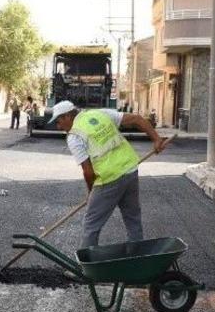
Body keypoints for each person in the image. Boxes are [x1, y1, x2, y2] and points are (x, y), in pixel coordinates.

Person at [49, 100, 167, 248]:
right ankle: (138, 255)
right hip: (130, 170)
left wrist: (91, 192)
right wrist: (156, 139)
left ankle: (87, 261)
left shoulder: (74, 136)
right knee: (133, 218)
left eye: (59, 122)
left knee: (91, 225)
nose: (59, 127)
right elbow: (136, 119)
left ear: (67, 116)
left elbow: (88, 172)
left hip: (108, 179)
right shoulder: (99, 114)